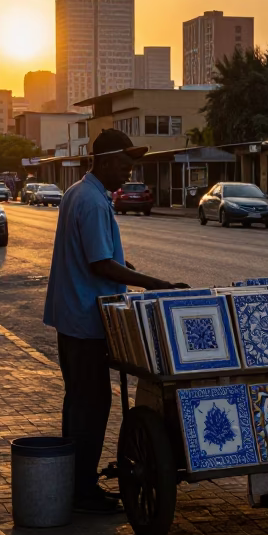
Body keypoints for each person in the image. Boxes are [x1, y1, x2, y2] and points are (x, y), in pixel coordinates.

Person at [42, 129, 187, 514]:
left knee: (79, 402)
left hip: (71, 316)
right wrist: (156, 285)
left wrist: (127, 269)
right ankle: (83, 490)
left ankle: (76, 482)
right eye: (124, 166)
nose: (129, 174)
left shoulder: (79, 193)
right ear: (105, 161)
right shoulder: (90, 201)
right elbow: (99, 263)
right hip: (84, 318)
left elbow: (102, 256)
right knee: (91, 404)